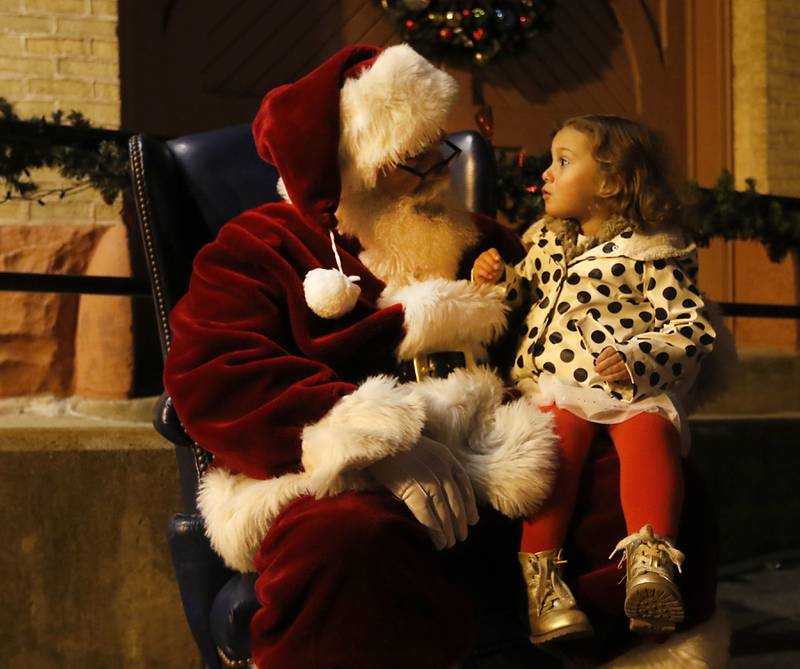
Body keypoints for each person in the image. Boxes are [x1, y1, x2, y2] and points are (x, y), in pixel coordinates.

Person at [163, 44, 560, 669]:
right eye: (411, 160)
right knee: (345, 540)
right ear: (346, 168)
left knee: (620, 481)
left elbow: (569, 319)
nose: (437, 171)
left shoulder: (482, 238)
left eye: (440, 149)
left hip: (495, 451)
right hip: (330, 478)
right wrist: (372, 440)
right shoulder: (258, 246)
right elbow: (213, 370)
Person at [472, 114, 724, 645]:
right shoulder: (544, 241)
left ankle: (651, 567)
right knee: (555, 446)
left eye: (563, 162)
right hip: (556, 381)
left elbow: (692, 326)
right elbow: (518, 302)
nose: (545, 174)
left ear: (610, 182)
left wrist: (639, 357)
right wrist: (495, 281)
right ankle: (543, 585)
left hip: (629, 388)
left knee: (651, 435)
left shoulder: (650, 251)